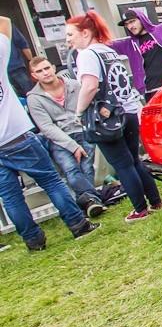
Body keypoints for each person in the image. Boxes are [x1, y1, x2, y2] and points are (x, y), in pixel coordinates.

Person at [0, 16, 99, 251]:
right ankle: (78, 224)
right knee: (51, 181)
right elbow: (4, 21)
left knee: (10, 197)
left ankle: (33, 241)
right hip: (18, 138)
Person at [66, 11, 162, 223]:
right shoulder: (107, 50)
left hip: (108, 117)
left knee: (122, 164)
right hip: (128, 110)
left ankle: (140, 209)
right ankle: (155, 201)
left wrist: (79, 112)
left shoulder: (87, 55)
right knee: (134, 160)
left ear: (85, 33)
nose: (68, 40)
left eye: (71, 34)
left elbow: (90, 86)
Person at [25, 57, 105, 218]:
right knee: (71, 169)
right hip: (57, 138)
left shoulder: (74, 85)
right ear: (34, 75)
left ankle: (87, 202)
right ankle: (92, 200)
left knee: (86, 167)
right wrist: (73, 146)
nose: (45, 73)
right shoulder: (33, 98)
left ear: (53, 67)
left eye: (47, 68)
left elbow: (89, 107)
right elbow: (47, 127)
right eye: (39, 71)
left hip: (82, 130)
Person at [110, 8, 162, 101]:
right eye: (127, 24)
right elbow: (107, 45)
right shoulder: (130, 44)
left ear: (141, 18)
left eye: (132, 21)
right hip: (151, 91)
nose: (130, 26)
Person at [3, 19, 33, 98]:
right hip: (3, 74)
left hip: (16, 68)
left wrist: (31, 61)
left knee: (31, 94)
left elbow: (22, 43)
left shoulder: (5, 24)